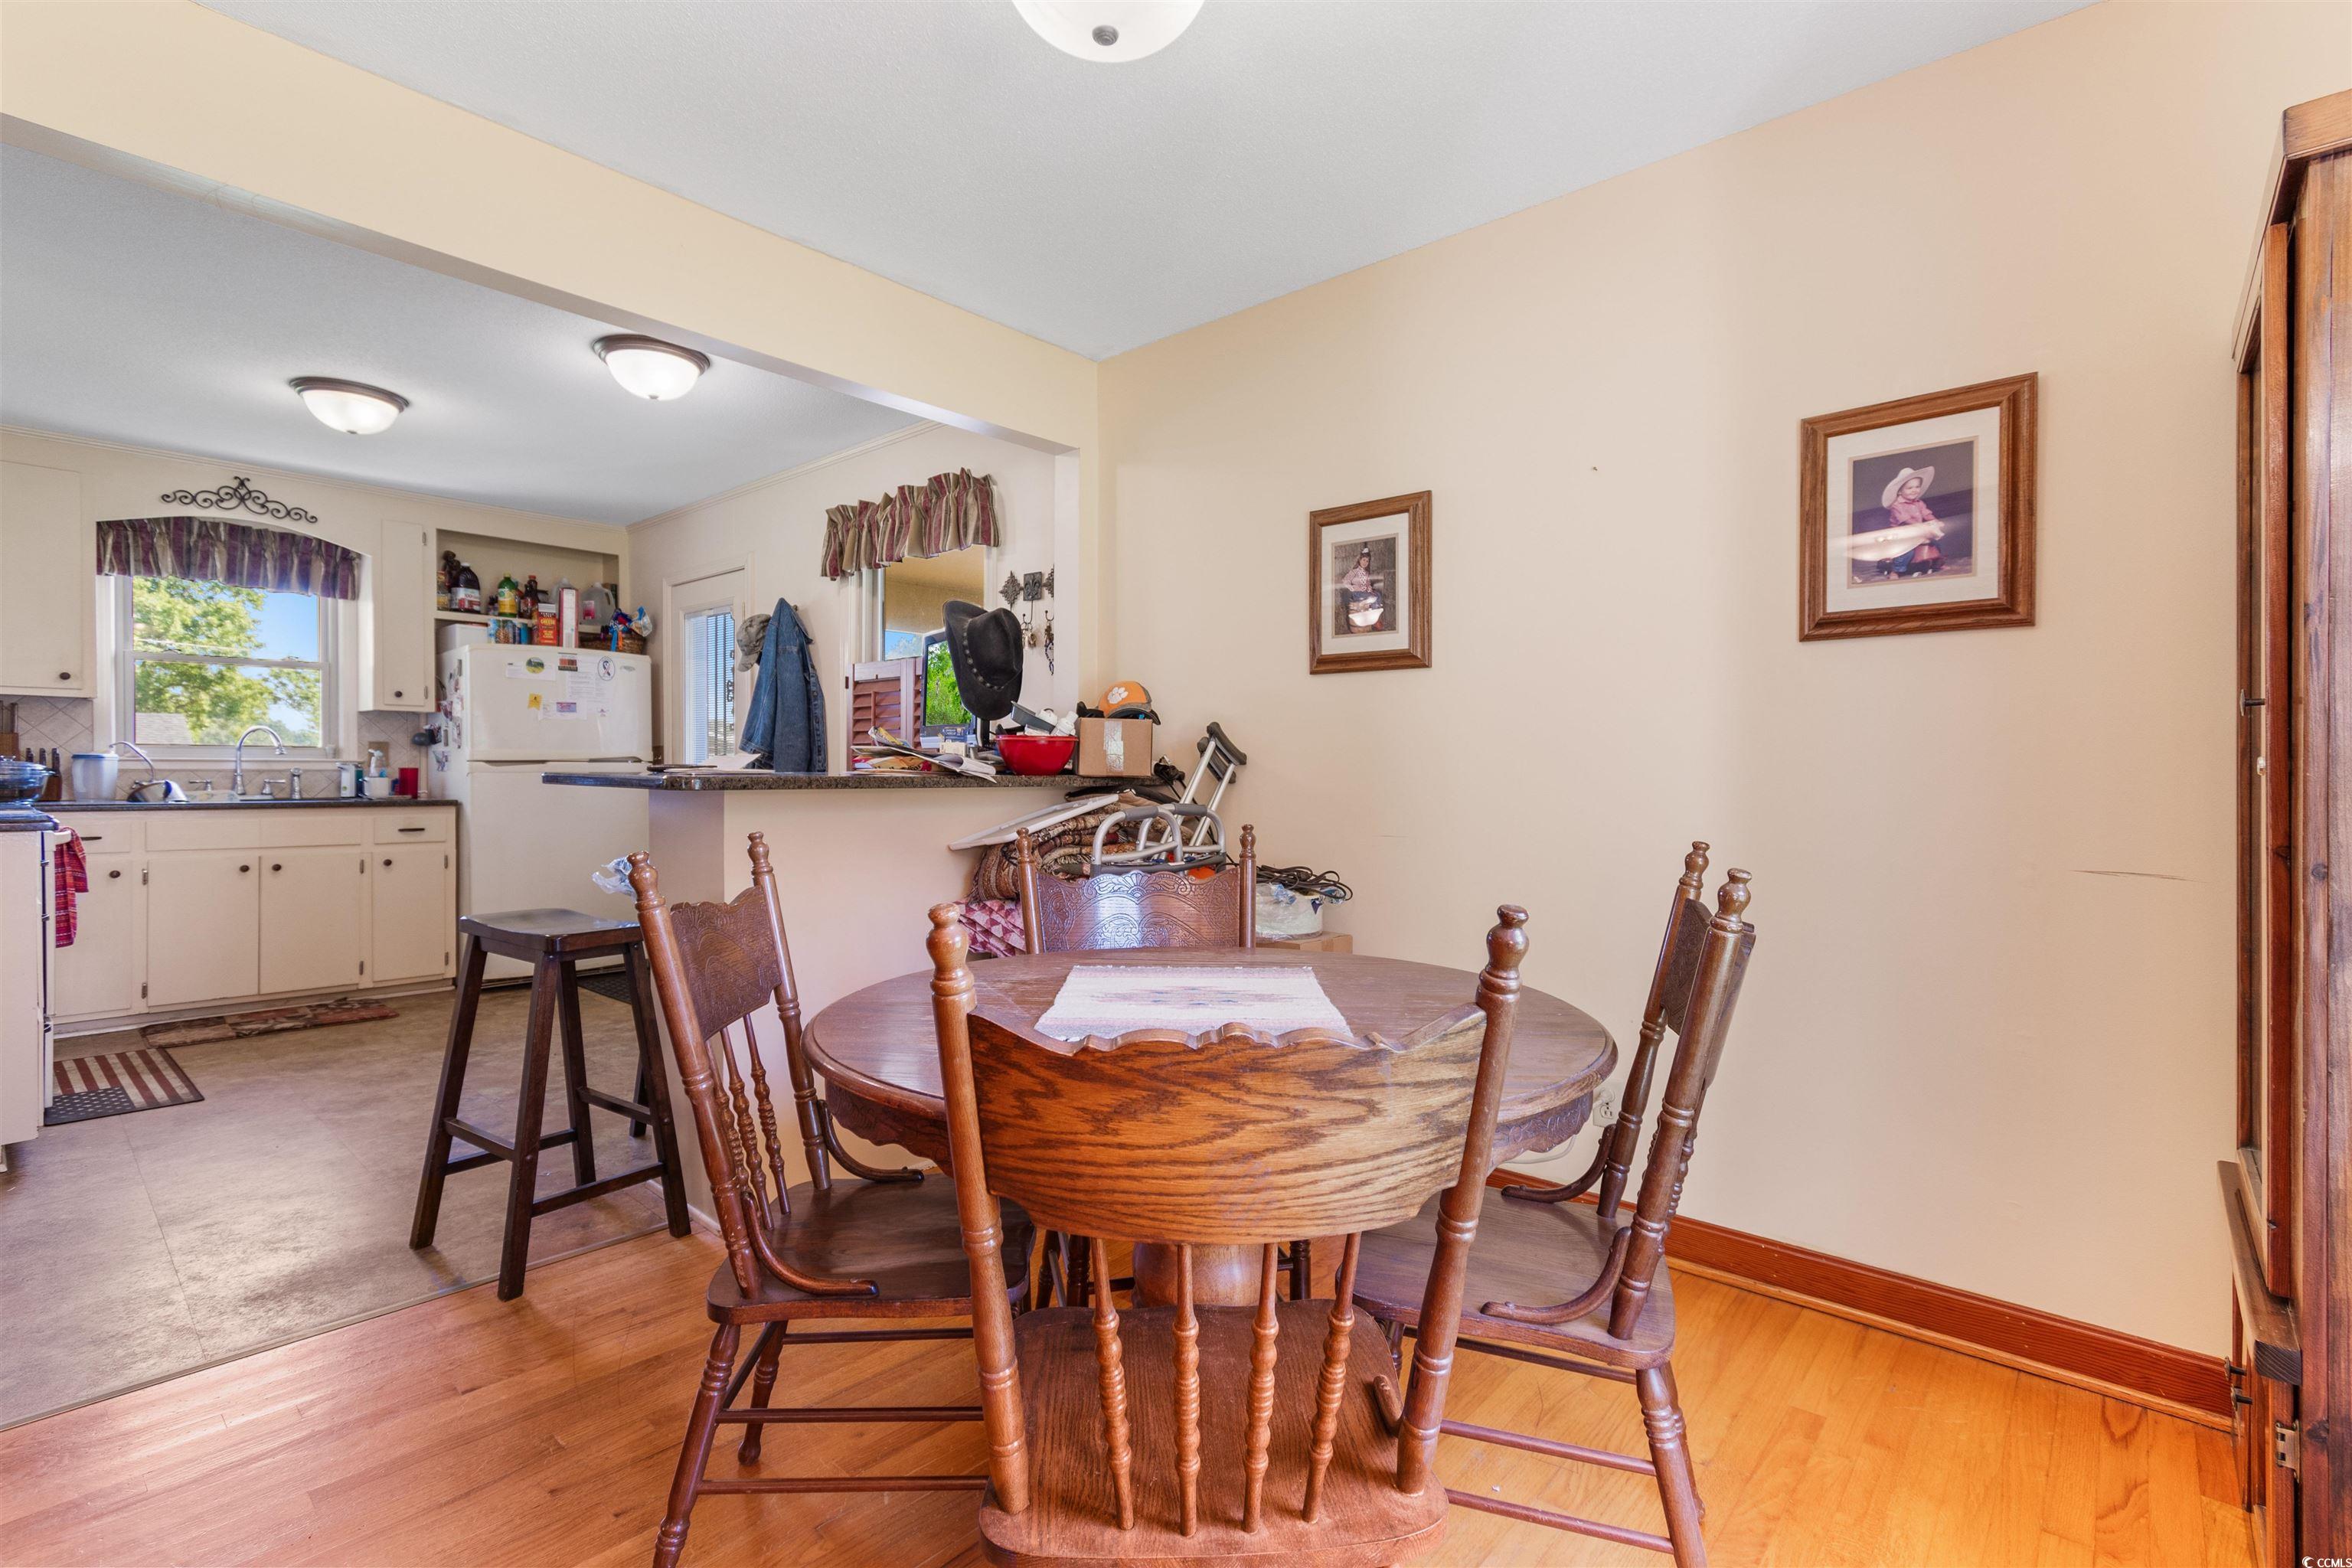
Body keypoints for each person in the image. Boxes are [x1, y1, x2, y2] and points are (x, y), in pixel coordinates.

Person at [1880, 466, 1945, 577]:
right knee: (1906, 552)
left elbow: (1926, 514)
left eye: (1917, 487)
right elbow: (1906, 520)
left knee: (1935, 544)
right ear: (1900, 491)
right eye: (1910, 488)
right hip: (1902, 534)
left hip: (1918, 531)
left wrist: (1935, 521)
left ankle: (1936, 564)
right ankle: (1896, 571)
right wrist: (1921, 526)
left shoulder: (1919, 503)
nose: (1914, 490)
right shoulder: (1896, 506)